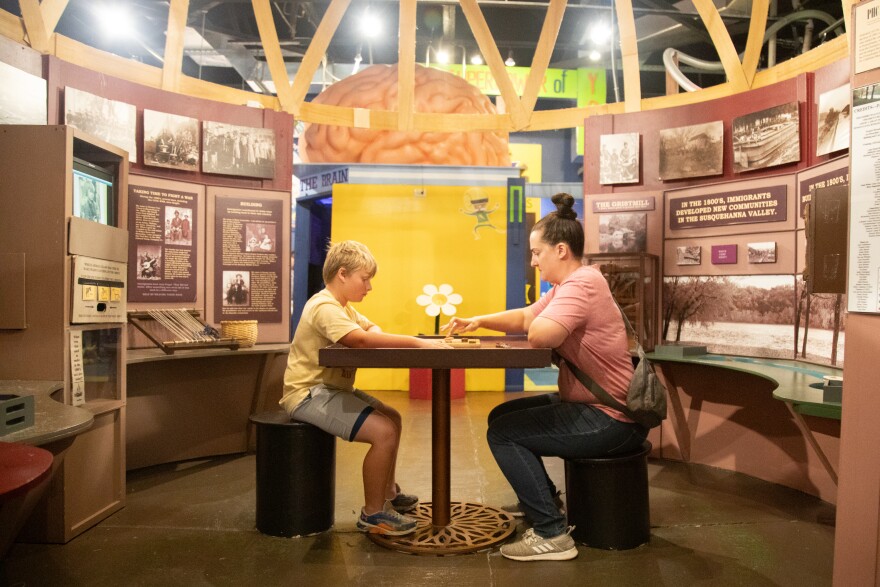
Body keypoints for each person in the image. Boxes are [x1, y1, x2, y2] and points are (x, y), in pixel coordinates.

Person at [443, 193, 645, 562]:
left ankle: (552, 534)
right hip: (597, 406)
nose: (533, 261)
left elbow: (540, 335)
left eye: (537, 253)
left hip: (610, 418)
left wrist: (544, 322)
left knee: (504, 434)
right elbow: (525, 318)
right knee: (500, 417)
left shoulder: (581, 285)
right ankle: (543, 499)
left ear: (562, 250)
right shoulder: (571, 286)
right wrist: (480, 320)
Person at [280, 240, 451, 536]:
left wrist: (374, 334)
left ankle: (388, 492)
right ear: (342, 274)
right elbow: (359, 340)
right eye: (365, 278)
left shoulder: (343, 309)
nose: (369, 287)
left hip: (332, 390)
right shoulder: (323, 306)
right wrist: (418, 341)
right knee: (383, 432)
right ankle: (372, 513)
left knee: (393, 418)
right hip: (309, 394)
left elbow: (371, 330)